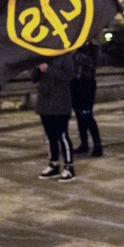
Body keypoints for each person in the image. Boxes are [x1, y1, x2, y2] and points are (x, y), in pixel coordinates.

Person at [34, 52, 77, 182]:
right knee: (50, 135)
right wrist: (37, 69)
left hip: (60, 102)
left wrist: (49, 69)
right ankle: (54, 163)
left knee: (62, 135)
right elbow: (34, 78)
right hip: (45, 102)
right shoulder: (42, 56)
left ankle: (69, 167)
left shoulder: (65, 56)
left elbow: (68, 77)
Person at [71, 40, 103, 157]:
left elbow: (92, 63)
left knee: (87, 114)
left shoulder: (94, 48)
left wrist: (76, 52)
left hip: (87, 84)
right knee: (79, 114)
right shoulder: (75, 47)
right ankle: (84, 143)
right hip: (75, 83)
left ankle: (97, 145)